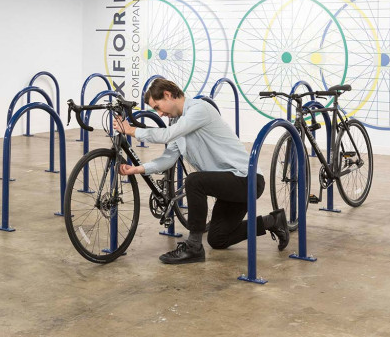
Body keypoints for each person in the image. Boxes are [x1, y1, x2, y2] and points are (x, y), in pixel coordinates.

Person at [112, 78, 289, 264]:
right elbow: (168, 158)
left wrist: (132, 130)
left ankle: (194, 247)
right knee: (217, 239)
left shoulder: (199, 109)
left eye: (157, 106)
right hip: (228, 184)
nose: (159, 113)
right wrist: (138, 169)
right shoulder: (178, 123)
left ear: (167, 95)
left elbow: (168, 134)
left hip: (247, 180)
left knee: (194, 181)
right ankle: (272, 221)